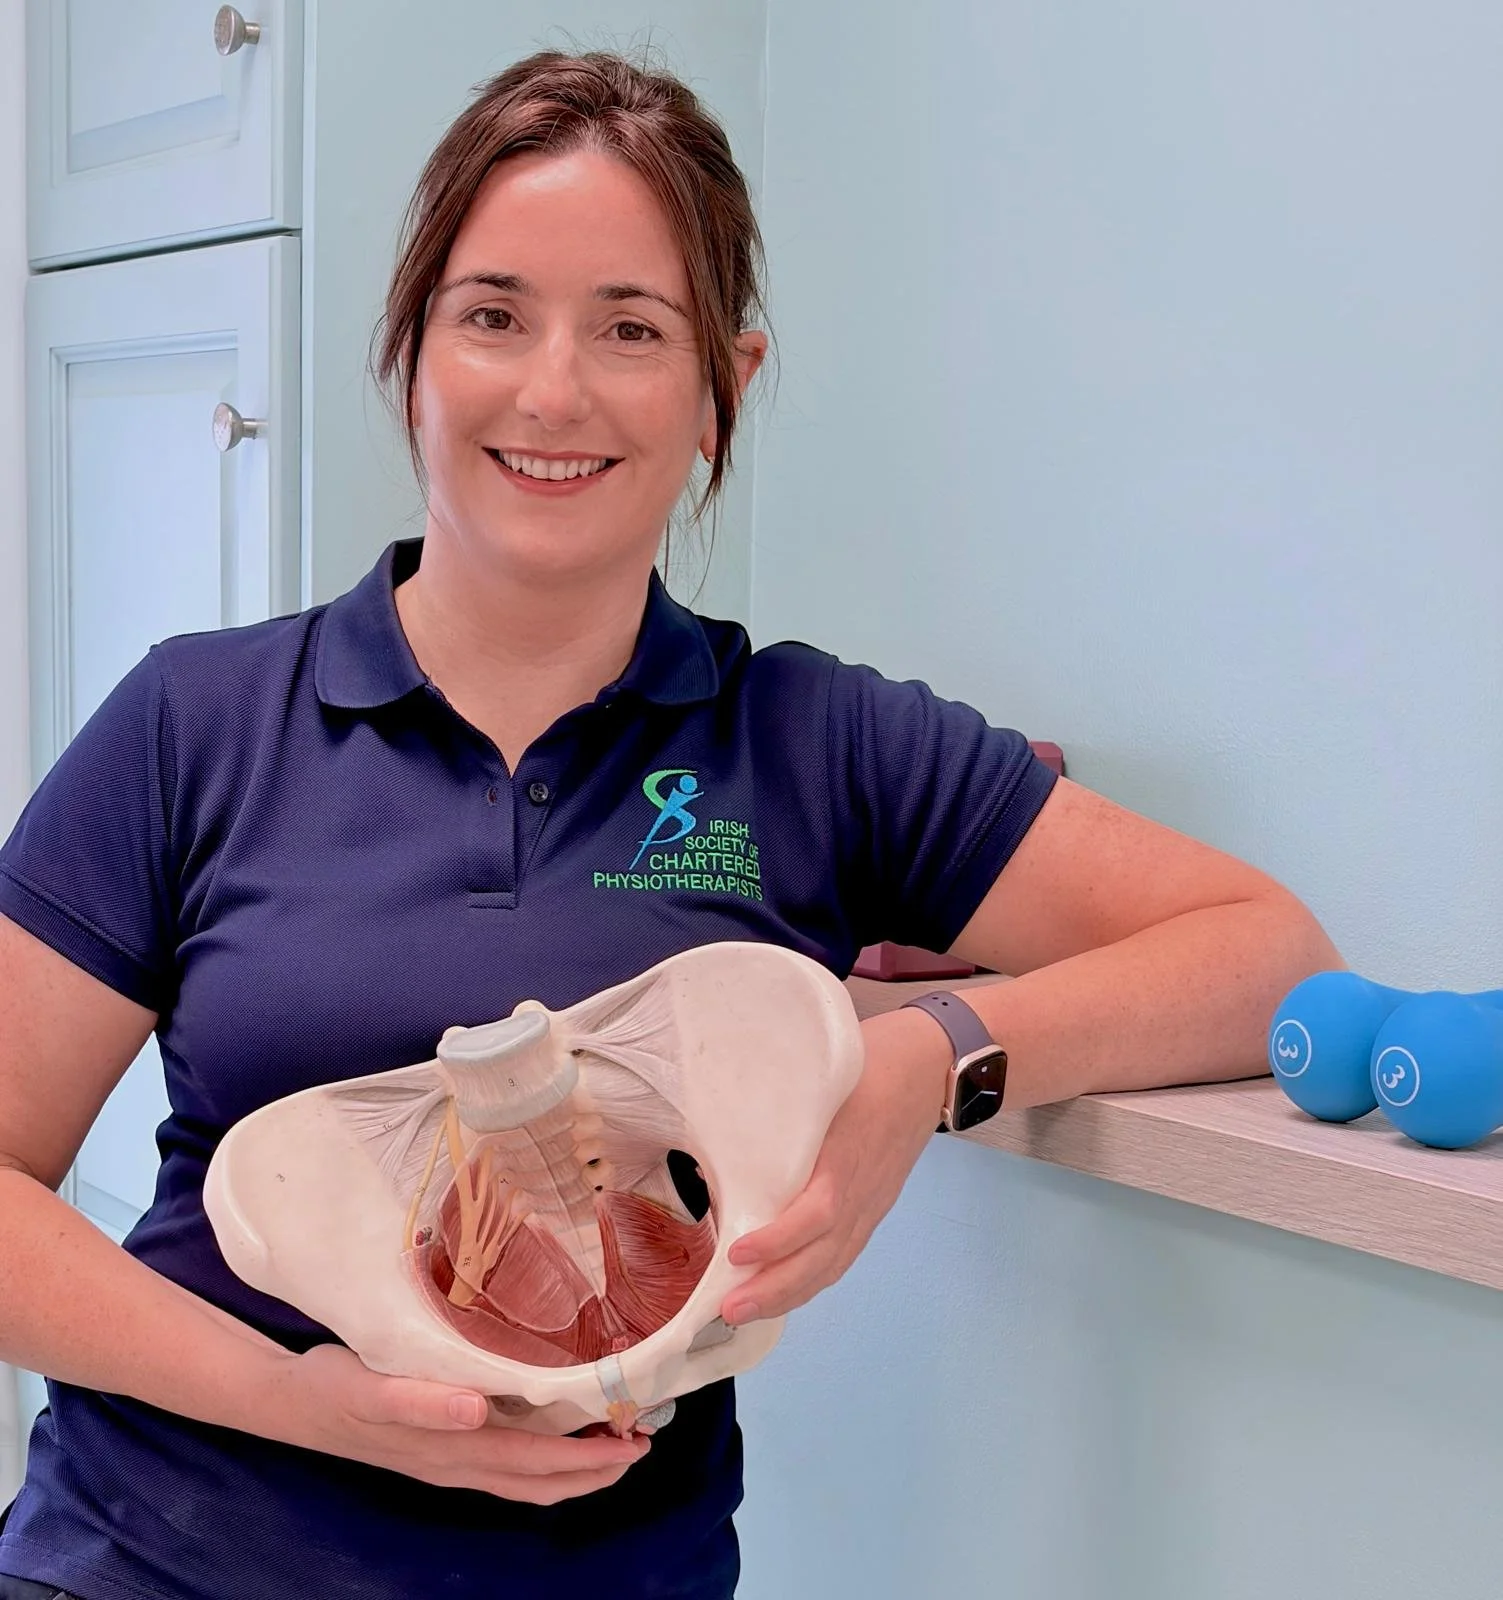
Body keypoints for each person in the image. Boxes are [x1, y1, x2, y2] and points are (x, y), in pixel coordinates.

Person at [0, 48, 1340, 1600]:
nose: (552, 390)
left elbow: (1265, 953)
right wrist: (298, 1403)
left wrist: (929, 1060)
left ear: (724, 386)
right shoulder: (193, 724)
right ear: (411, 354)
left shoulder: (817, 744)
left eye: (630, 329)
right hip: (149, 1562)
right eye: (491, 314)